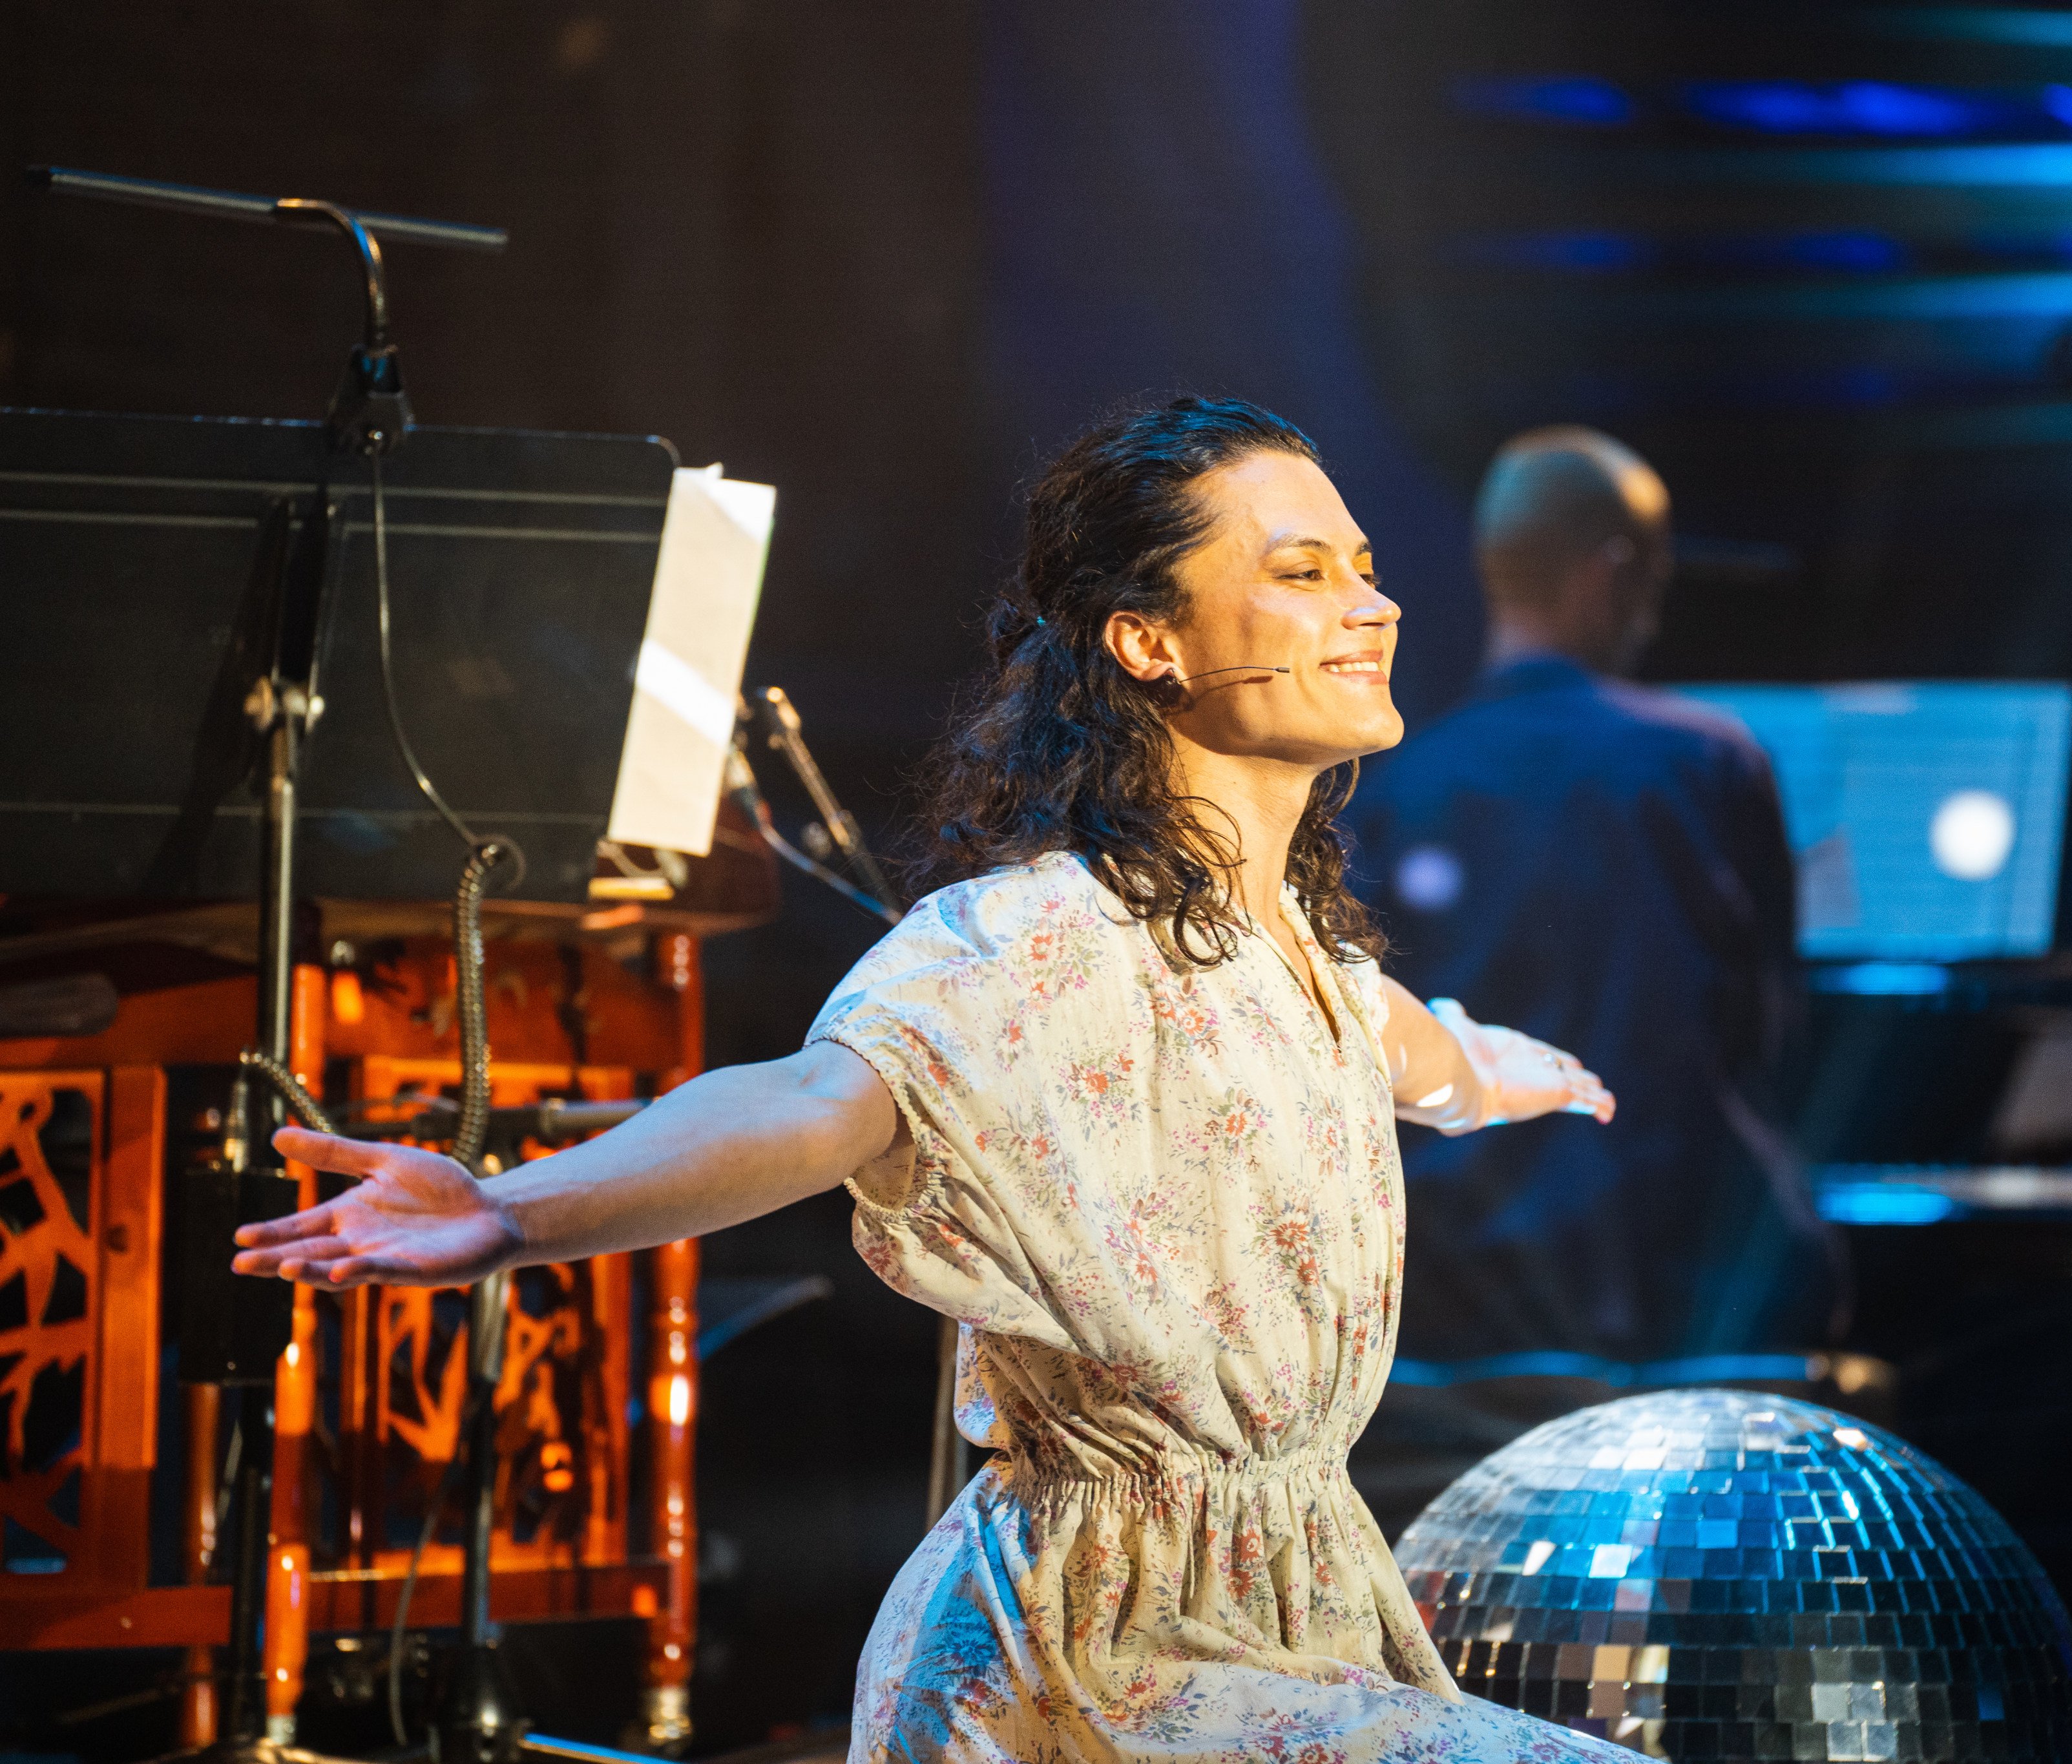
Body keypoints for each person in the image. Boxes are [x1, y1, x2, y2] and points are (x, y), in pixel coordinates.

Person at [235, 399, 1636, 1764]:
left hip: (1304, 1601)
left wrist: (1507, 1077)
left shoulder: (1308, 963)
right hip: (1098, 1654)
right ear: (1146, 640)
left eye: (1366, 571)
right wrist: (510, 1209)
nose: (1369, 605)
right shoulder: (1041, 942)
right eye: (1301, 572)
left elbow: (1418, 1056)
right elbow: (810, 1101)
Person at [1342, 426, 1828, 1369]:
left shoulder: (1396, 788)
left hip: (1452, 1305)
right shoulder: (1708, 761)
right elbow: (1772, 1045)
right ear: (1614, 573)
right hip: (1674, 1300)